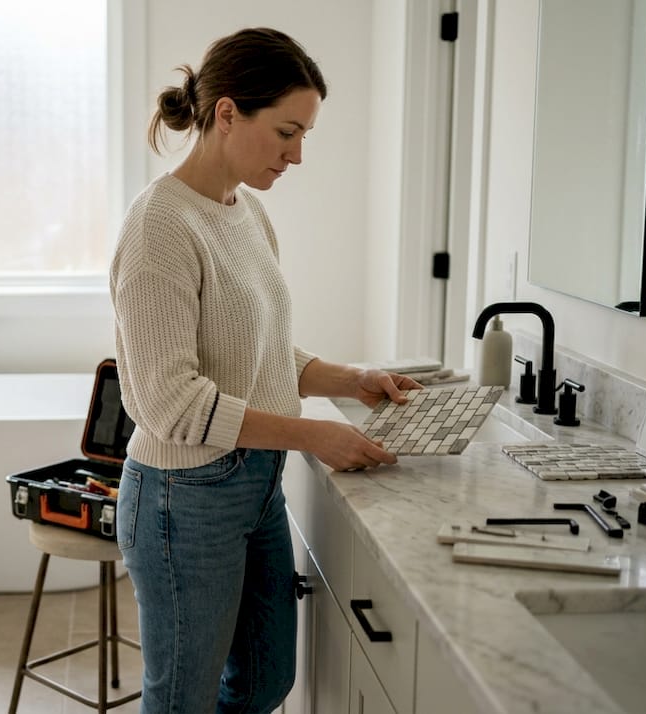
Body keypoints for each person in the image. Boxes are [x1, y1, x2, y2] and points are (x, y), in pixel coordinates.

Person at [109, 27, 422, 713]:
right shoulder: (159, 226)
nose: (298, 154)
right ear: (226, 113)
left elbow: (259, 349)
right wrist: (315, 435)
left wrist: (350, 380)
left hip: (252, 482)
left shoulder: (246, 212)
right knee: (181, 701)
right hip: (181, 498)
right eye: (286, 131)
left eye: (303, 134)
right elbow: (171, 405)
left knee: (265, 679)